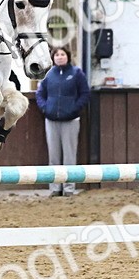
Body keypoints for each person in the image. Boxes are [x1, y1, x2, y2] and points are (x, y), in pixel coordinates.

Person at [35, 46, 90, 196]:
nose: (60, 57)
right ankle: (55, 188)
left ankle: (69, 189)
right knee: (53, 157)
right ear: (53, 58)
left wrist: (74, 109)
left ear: (68, 56)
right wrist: (46, 108)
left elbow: (85, 93)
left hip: (71, 121)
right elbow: (39, 94)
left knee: (69, 156)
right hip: (51, 120)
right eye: (57, 54)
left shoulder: (77, 73)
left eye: (62, 54)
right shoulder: (47, 76)